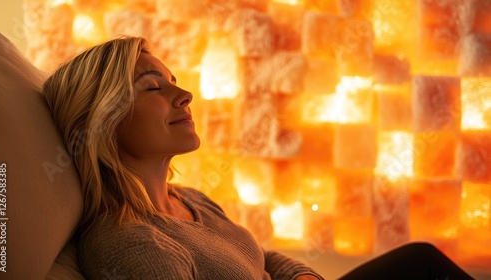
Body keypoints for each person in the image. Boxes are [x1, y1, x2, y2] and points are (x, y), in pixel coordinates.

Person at [42, 36, 474, 280]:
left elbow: (259, 258)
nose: (185, 95)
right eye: (153, 87)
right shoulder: (132, 244)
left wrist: (302, 278)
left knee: (418, 261)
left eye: (174, 81)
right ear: (103, 119)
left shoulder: (192, 201)